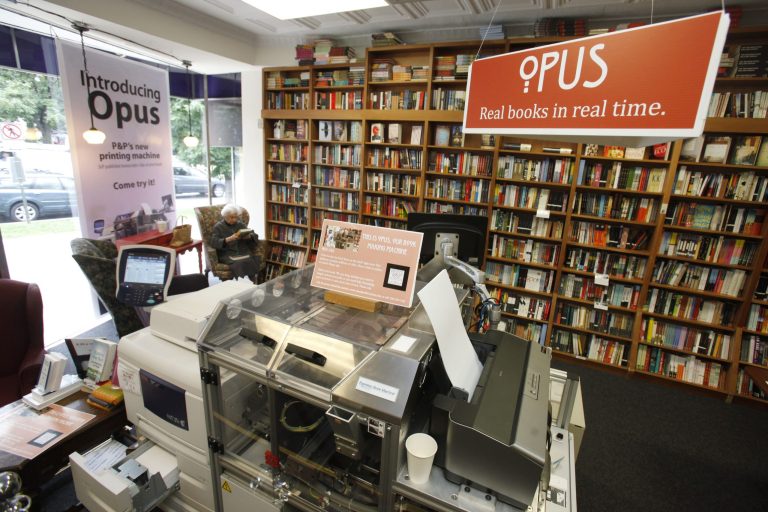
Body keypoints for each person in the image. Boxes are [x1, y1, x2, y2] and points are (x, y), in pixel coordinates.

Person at [210, 204, 261, 283]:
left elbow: (254, 235)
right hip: (228, 254)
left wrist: (249, 236)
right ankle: (239, 284)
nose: (234, 219)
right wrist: (228, 239)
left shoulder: (240, 224)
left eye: (236, 217)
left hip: (242, 251)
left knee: (252, 260)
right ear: (225, 216)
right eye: (231, 217)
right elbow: (214, 242)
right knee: (239, 264)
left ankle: (253, 283)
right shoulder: (218, 227)